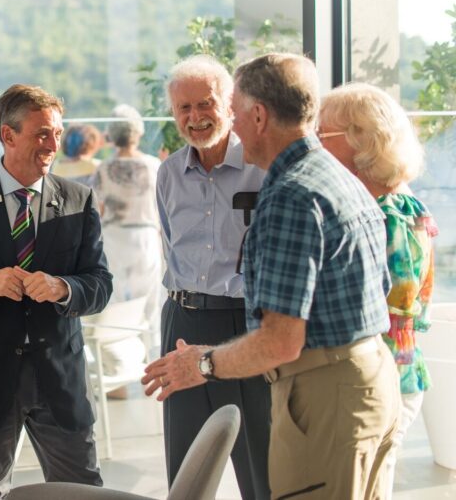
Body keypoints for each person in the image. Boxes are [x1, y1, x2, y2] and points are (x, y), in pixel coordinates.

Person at [143, 53, 400, 500]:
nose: (232, 126)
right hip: (360, 375)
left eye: (232, 111)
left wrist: (204, 363)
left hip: (315, 382)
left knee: (264, 480)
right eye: (183, 108)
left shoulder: (289, 194)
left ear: (254, 114)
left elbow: (280, 341)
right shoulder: (335, 177)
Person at [0, 83, 112, 499]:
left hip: (59, 379)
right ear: (7, 135)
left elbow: (101, 285)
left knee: (84, 491)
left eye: (57, 131)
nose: (54, 143)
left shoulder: (78, 199)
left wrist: (63, 288)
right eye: (42, 133)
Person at [153, 56, 270, 500]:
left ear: (230, 105)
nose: (195, 117)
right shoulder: (167, 174)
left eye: (205, 104)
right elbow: (170, 244)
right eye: (184, 108)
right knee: (186, 471)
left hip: (246, 325)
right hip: (182, 323)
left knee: (259, 466)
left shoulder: (262, 169)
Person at [318, 82, 436, 496]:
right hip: (384, 376)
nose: (312, 145)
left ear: (361, 141)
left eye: (321, 135)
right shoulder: (398, 203)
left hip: (381, 379)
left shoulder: (387, 218)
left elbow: (389, 304)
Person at [89, 104, 162, 393]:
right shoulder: (154, 165)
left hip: (115, 238)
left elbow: (99, 208)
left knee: (118, 306)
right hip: (145, 239)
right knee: (150, 305)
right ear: (138, 133)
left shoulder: (103, 169)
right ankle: (153, 370)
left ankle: (117, 375)